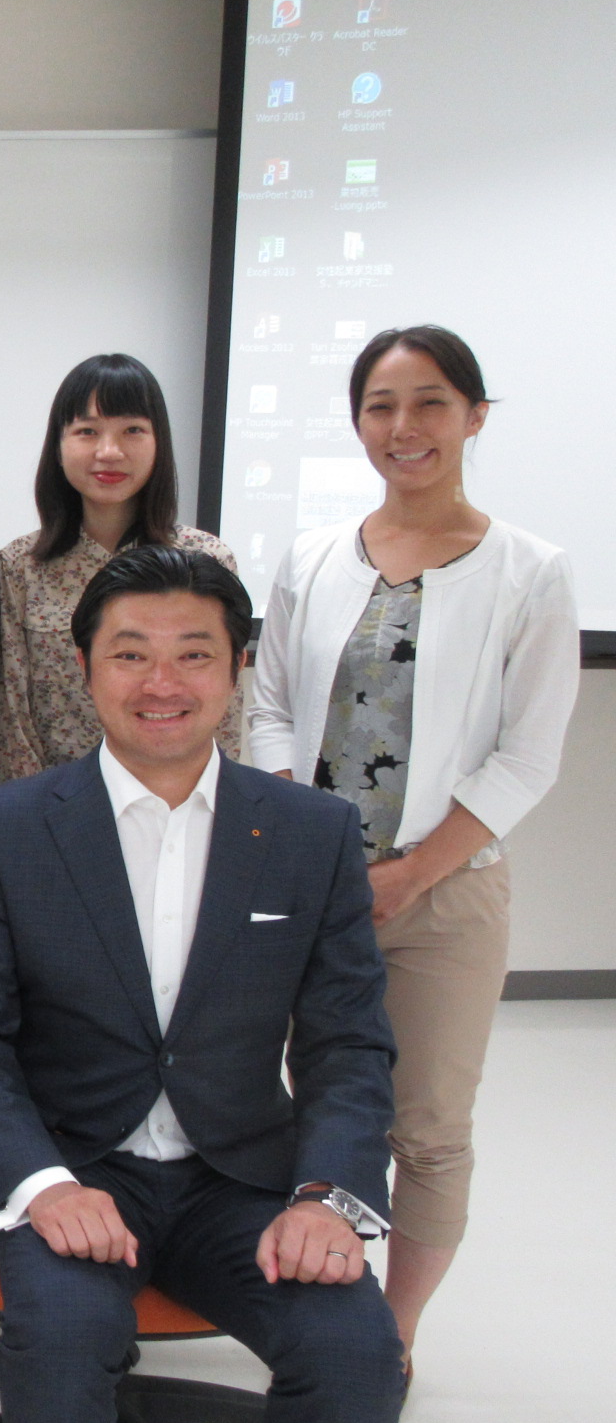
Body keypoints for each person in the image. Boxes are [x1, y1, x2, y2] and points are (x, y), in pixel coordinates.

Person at [0, 545, 406, 1423]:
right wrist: (43, 1184)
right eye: (130, 653)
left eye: (193, 654)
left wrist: (328, 1197)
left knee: (356, 1357)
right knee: (62, 1348)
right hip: (73, 1162)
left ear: (236, 668)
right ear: (85, 667)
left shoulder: (311, 834)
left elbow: (349, 1045)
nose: (161, 683)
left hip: (243, 1178)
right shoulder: (6, 830)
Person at [249, 325, 577, 1368]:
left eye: (430, 401)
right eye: (380, 406)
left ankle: (389, 1335)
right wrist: (302, 836)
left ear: (474, 416)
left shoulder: (529, 571)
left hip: (444, 895)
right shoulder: (312, 557)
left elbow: (527, 757)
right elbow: (268, 708)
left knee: (427, 1127)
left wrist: (407, 876)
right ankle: (310, 1297)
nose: (404, 427)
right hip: (306, 886)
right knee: (302, 1103)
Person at [0, 352, 243, 784]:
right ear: (58, 447)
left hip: (180, 796)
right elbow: (9, 714)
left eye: (132, 430)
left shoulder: (206, 559)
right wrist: (38, 808)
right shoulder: (19, 567)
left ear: (159, 443)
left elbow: (224, 706)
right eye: (87, 431)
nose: (109, 451)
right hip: (56, 801)